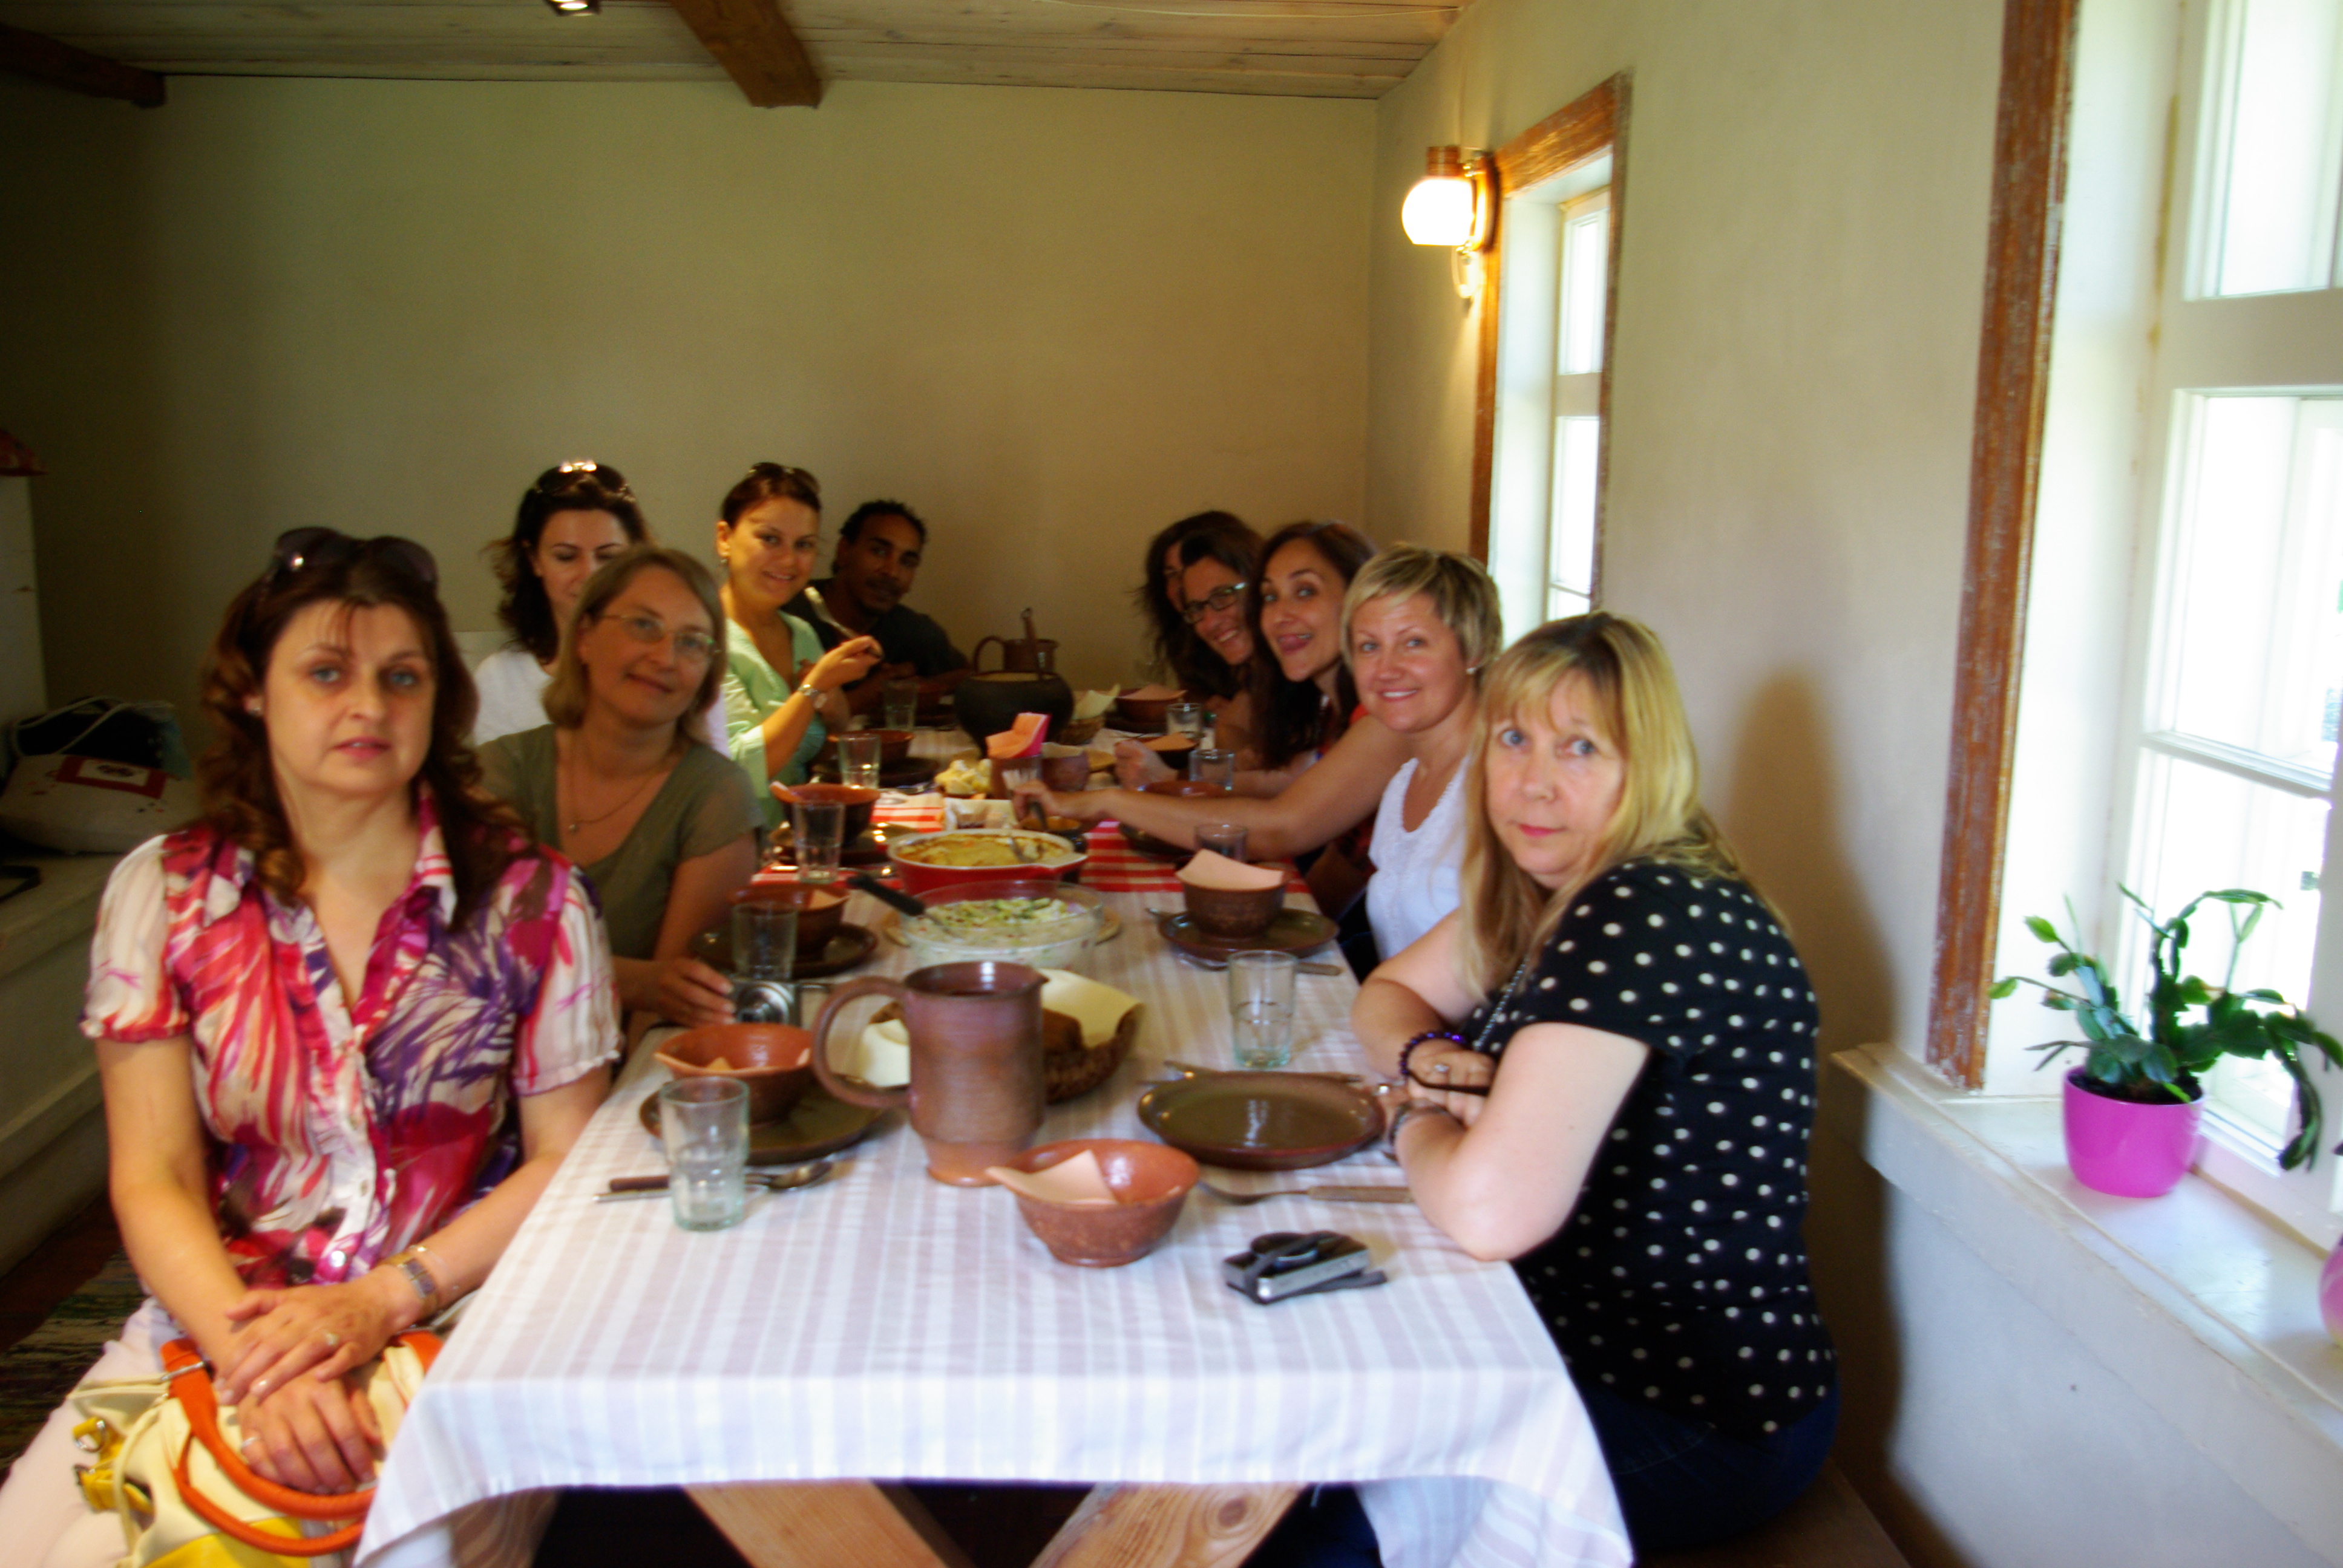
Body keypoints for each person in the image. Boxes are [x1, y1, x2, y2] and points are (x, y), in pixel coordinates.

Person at [0, 530, 615, 1566]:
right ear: (252, 691)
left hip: (450, 1310)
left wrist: (379, 1301)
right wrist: (256, 1356)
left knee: (363, 1550)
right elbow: (153, 1175)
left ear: (439, 700)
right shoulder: (167, 892)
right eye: (327, 672)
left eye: (402, 676)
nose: (368, 705)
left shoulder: (533, 901)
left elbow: (564, 1158)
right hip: (222, 1310)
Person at [1353, 612, 1837, 1555]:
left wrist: (1409, 1119)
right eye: (1514, 740)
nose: (1534, 783)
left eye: (1580, 748)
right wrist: (1426, 1059)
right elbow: (1390, 992)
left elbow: (1489, 1213)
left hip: (1695, 1413)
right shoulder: (1551, 884)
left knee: (1318, 1536)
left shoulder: (1645, 908)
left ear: (1645, 767)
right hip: (1559, 1347)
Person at [1024, 546, 1499, 962]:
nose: (1387, 669)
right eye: (1370, 646)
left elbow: (1283, 826)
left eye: (1414, 643)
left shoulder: (1498, 781)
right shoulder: (1409, 773)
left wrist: (1110, 802)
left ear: (1475, 647)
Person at [479, 547, 759, 1029]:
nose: (665, 658)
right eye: (643, 625)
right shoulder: (502, 770)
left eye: (692, 642)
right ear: (584, 638)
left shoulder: (717, 797)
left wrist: (645, 991)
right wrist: (635, 981)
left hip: (629, 1066)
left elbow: (670, 1014)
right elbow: (480, 958)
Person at [472, 461, 730, 756]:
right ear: (534, 560)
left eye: (607, 557)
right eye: (566, 557)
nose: (589, 574)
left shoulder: (675, 668)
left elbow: (715, 772)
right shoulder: (499, 679)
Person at [712, 463, 883, 825]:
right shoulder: (701, 638)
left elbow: (817, 749)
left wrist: (834, 708)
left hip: (800, 839)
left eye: (803, 545)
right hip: (732, 846)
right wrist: (814, 687)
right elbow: (739, 770)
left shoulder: (801, 633)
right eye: (770, 539)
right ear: (725, 538)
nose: (789, 561)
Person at [784, 500, 969, 713]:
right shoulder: (789, 615)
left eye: (907, 562)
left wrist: (916, 688)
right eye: (879, 552)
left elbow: (967, 675)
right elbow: (779, 721)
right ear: (844, 551)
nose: (892, 572)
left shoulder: (910, 629)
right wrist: (867, 695)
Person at [1171, 520, 1265, 760]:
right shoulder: (1252, 688)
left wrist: (1169, 776)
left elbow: (1291, 780)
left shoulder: (1307, 685)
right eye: (1197, 608)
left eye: (1223, 596)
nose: (1210, 623)